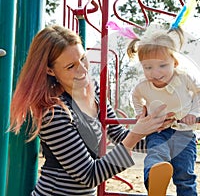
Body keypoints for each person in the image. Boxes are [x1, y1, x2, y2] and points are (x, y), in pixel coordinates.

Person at [8, 25, 175, 196]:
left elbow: (118, 135)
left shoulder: (94, 92)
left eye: (82, 58)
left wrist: (168, 141)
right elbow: (89, 175)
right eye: (70, 66)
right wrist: (136, 134)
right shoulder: (53, 113)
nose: (83, 69)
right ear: (50, 70)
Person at [127, 26, 200, 196]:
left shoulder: (183, 78)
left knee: (185, 175)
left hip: (184, 133)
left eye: (162, 65)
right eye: (148, 67)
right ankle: (155, 186)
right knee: (155, 157)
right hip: (158, 131)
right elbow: (135, 97)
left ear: (174, 62)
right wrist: (140, 114)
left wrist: (194, 112)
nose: (155, 73)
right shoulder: (143, 86)